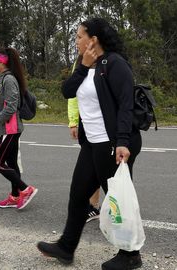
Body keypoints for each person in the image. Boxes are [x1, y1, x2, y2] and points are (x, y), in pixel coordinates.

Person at [37, 18, 143, 270]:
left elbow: (126, 105)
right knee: (78, 196)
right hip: (92, 143)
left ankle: (131, 255)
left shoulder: (115, 64)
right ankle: (66, 247)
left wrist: (122, 142)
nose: (76, 42)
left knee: (117, 200)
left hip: (113, 144)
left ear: (92, 40)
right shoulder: (85, 65)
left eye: (78, 37)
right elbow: (67, 91)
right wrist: (83, 67)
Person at [0, 47, 38, 210]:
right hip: (8, 128)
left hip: (10, 129)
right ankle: (15, 196)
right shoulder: (2, 78)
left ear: (1, 62)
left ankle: (26, 189)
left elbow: (12, 107)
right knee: (11, 163)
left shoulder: (9, 79)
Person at [67, 63, 101, 223]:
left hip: (106, 125)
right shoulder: (80, 62)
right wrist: (73, 121)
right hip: (86, 123)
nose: (77, 42)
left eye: (80, 37)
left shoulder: (111, 60)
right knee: (92, 168)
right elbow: (72, 93)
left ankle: (119, 211)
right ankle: (93, 207)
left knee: (106, 170)